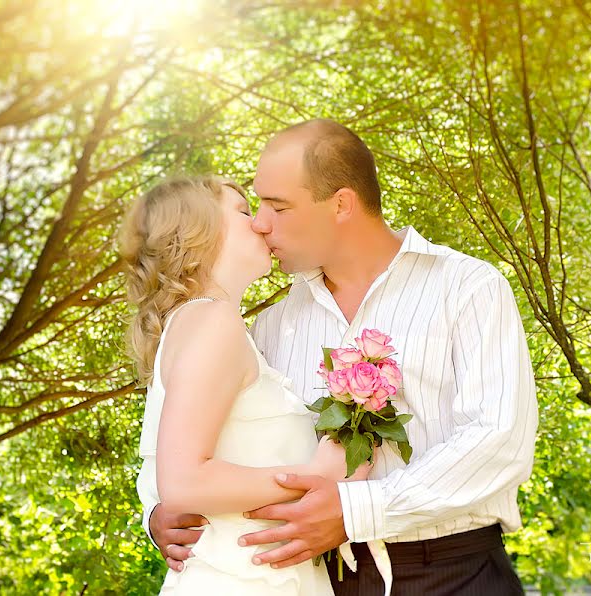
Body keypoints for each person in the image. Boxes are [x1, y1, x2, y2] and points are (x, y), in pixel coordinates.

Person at [146, 119, 539, 595]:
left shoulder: (467, 288)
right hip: (322, 577)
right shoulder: (268, 327)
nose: (260, 223)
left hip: (452, 572)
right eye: (256, 205)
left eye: (278, 206)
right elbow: (203, 439)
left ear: (341, 204)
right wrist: (158, 509)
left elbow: (497, 442)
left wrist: (355, 511)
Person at [118, 175, 369, 595]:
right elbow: (182, 483)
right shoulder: (212, 321)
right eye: (243, 211)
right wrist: (312, 477)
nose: (261, 224)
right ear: (196, 231)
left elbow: (162, 463)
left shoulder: (210, 325)